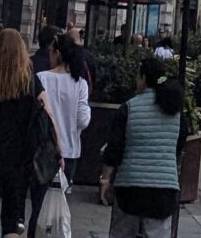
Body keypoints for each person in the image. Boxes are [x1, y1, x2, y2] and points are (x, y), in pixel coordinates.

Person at [0, 27, 47, 238]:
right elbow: (46, 115)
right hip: (20, 156)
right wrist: (55, 147)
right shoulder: (29, 79)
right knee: (12, 220)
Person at [100, 57, 187, 237]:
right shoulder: (177, 113)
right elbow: (178, 149)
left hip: (130, 188)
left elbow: (115, 149)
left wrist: (105, 180)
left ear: (144, 78)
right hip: (164, 191)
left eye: (138, 76)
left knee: (122, 232)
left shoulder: (129, 108)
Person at [37, 36, 92, 231]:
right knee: (60, 205)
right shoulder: (80, 84)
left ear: (58, 54)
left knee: (39, 206)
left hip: (42, 150)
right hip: (69, 151)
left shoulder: (41, 78)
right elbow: (83, 120)